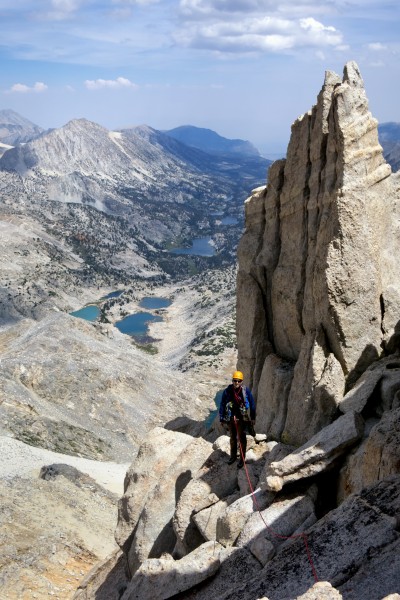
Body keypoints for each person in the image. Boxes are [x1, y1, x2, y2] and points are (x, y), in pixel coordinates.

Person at [219, 370, 256, 468]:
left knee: (242, 438)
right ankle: (233, 456)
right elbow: (222, 404)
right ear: (232, 380)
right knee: (232, 437)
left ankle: (242, 459)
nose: (237, 383)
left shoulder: (245, 390)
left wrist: (253, 417)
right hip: (231, 417)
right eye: (235, 380)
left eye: (239, 381)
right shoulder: (228, 391)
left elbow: (252, 403)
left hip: (242, 418)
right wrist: (221, 418)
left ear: (242, 381)